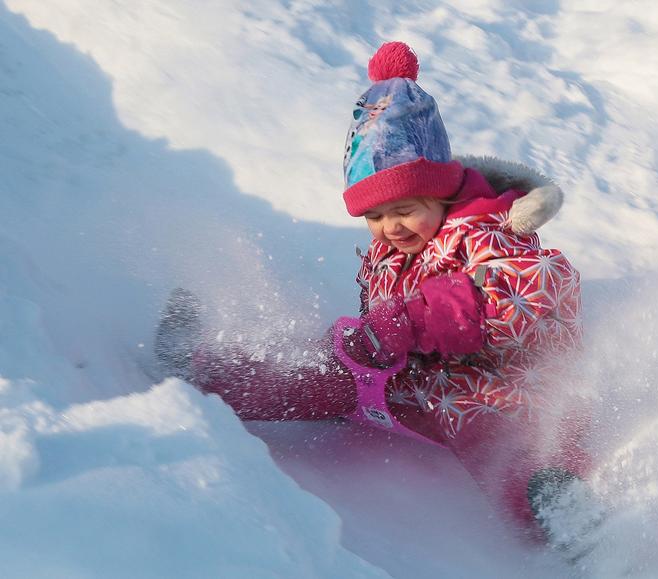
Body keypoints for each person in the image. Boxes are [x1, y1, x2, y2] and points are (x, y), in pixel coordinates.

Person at [155, 42, 599, 550]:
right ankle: (204, 367)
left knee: (504, 449)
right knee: (313, 376)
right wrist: (372, 341)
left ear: (443, 190)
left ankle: (567, 514)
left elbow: (528, 291)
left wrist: (408, 324)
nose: (390, 227)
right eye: (374, 216)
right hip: (401, 378)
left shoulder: (487, 232)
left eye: (405, 208)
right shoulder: (392, 246)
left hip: (491, 389)